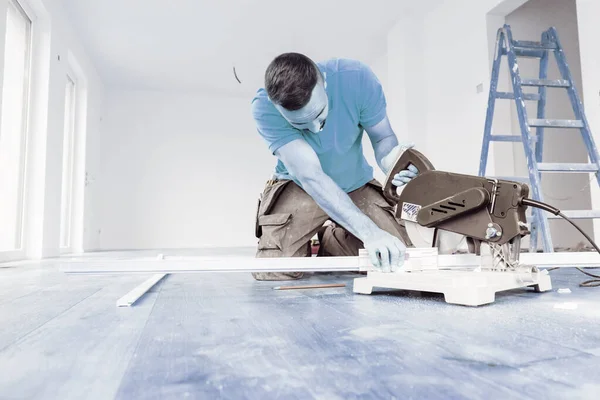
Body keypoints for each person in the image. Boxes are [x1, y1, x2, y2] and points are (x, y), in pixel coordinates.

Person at [250, 53, 418, 281]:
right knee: (275, 269)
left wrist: (392, 162)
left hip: (354, 183)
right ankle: (310, 240)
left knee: (399, 255)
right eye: (300, 124)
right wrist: (369, 232)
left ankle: (331, 240)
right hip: (301, 185)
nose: (315, 128)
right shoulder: (264, 108)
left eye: (319, 114)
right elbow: (311, 176)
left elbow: (382, 137)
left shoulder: (358, 79)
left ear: (324, 82)